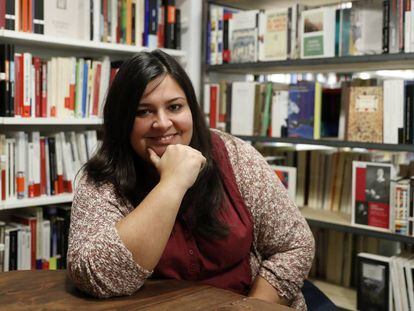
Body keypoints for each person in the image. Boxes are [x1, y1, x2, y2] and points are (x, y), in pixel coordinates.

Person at [67, 50, 315, 310]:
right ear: (123, 119)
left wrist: (250, 308)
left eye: (174, 107)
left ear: (191, 110)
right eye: (143, 111)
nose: (162, 124)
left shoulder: (235, 155)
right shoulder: (102, 178)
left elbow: (294, 246)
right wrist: (172, 183)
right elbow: (96, 276)